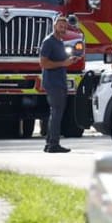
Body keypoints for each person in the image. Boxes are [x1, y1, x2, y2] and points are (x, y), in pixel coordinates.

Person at [39, 15, 81, 153]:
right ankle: (54, 144)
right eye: (60, 25)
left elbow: (59, 62)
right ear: (54, 26)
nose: (63, 28)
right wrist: (64, 63)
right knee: (57, 112)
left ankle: (49, 143)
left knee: (56, 112)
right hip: (53, 83)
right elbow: (43, 63)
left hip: (60, 81)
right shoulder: (49, 42)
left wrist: (69, 61)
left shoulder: (59, 42)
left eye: (65, 26)